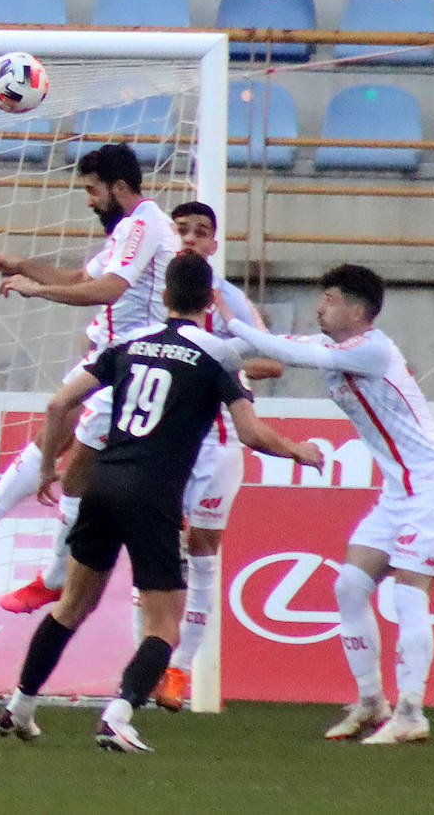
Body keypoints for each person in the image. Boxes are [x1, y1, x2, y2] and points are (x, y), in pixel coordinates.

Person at [0, 252, 321, 753]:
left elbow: (60, 403)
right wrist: (300, 450)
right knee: (164, 625)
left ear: (163, 296)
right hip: (152, 495)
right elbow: (250, 432)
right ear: (211, 299)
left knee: (71, 606)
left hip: (103, 482)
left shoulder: (130, 343)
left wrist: (45, 470)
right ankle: (118, 716)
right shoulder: (219, 354)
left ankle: (19, 706)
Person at [0, 143, 180, 614]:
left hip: (134, 366)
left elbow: (107, 289)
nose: (88, 200)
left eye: (92, 190)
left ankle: (55, 575)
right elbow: (80, 275)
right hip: (111, 358)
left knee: (76, 465)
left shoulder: (143, 225)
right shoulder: (129, 230)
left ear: (118, 187)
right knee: (58, 429)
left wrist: (38, 291)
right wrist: (20, 264)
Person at [217, 264, 434, 744]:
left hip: (433, 486)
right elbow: (261, 346)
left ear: (357, 309)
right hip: (398, 490)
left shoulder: (374, 349)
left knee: (409, 593)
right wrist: (205, 345)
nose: (320, 305)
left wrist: (226, 314)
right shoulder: (333, 348)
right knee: (348, 586)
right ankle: (370, 701)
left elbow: (280, 351)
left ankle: (410, 711)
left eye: (330, 298)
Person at [151, 201, 284, 712]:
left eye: (199, 232)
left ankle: (180, 669)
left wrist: (217, 359)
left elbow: (272, 359)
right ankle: (149, 659)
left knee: (203, 555)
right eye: (180, 229)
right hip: (162, 437)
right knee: (155, 553)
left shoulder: (227, 301)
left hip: (218, 440)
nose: (188, 238)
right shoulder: (148, 290)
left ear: (213, 243)